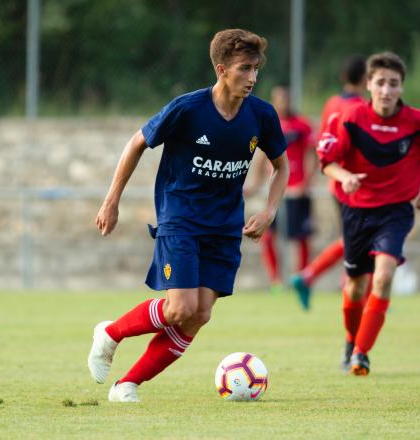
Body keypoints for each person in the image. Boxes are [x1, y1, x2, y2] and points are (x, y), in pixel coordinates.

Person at [88, 28, 289, 403]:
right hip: (180, 218)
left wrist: (270, 210)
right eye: (244, 69)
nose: (252, 78)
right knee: (180, 307)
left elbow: (282, 165)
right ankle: (111, 334)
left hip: (226, 225)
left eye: (256, 69)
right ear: (221, 68)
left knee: (198, 315)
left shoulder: (261, 115)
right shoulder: (187, 109)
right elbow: (136, 143)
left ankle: (126, 385)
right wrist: (111, 199)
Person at [318, 51, 420, 375]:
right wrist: (346, 177)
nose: (386, 90)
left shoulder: (418, 122)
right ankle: (351, 341)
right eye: (380, 82)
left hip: (395, 212)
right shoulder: (349, 118)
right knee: (354, 286)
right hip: (356, 211)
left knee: (382, 276)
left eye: (393, 84)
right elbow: (327, 162)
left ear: (401, 88)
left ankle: (362, 354)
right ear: (368, 84)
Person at [290, 55, 367, 310]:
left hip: (336, 179)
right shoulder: (361, 107)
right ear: (366, 79)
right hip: (353, 182)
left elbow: (323, 142)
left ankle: (320, 280)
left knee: (355, 238)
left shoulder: (332, 103)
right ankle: (321, 281)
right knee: (359, 239)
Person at [245, 85, 315, 294]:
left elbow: (311, 155)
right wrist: (255, 185)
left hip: (296, 192)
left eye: (286, 98)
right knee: (267, 235)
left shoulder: (302, 125)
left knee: (300, 236)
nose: (283, 102)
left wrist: (306, 183)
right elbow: (261, 157)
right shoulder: (269, 124)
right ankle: (276, 280)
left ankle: (301, 279)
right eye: (279, 98)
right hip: (275, 192)